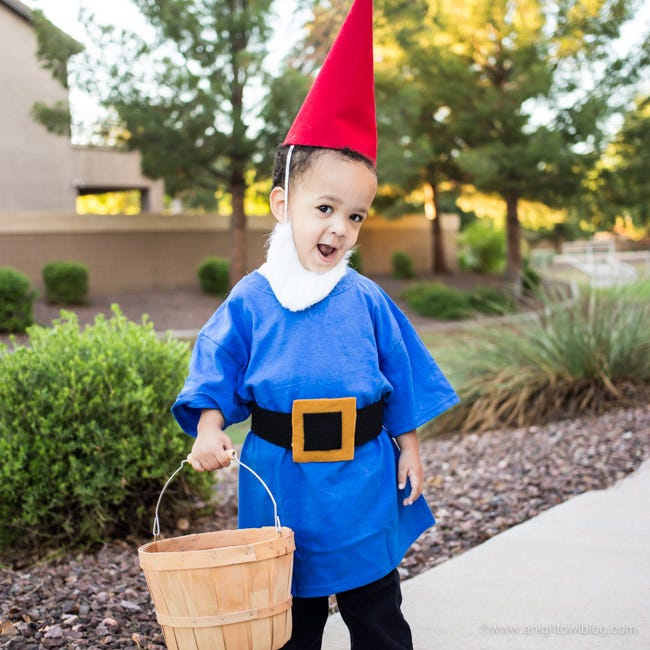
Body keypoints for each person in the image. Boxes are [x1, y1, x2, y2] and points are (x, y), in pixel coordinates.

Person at [172, 1, 459, 648]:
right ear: (283, 203)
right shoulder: (252, 298)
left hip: (361, 476)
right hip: (280, 481)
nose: (340, 227)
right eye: (325, 207)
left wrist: (409, 446)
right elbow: (214, 366)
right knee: (289, 625)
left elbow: (400, 374)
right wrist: (211, 426)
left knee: (377, 613)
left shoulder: (366, 299)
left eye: (356, 216)